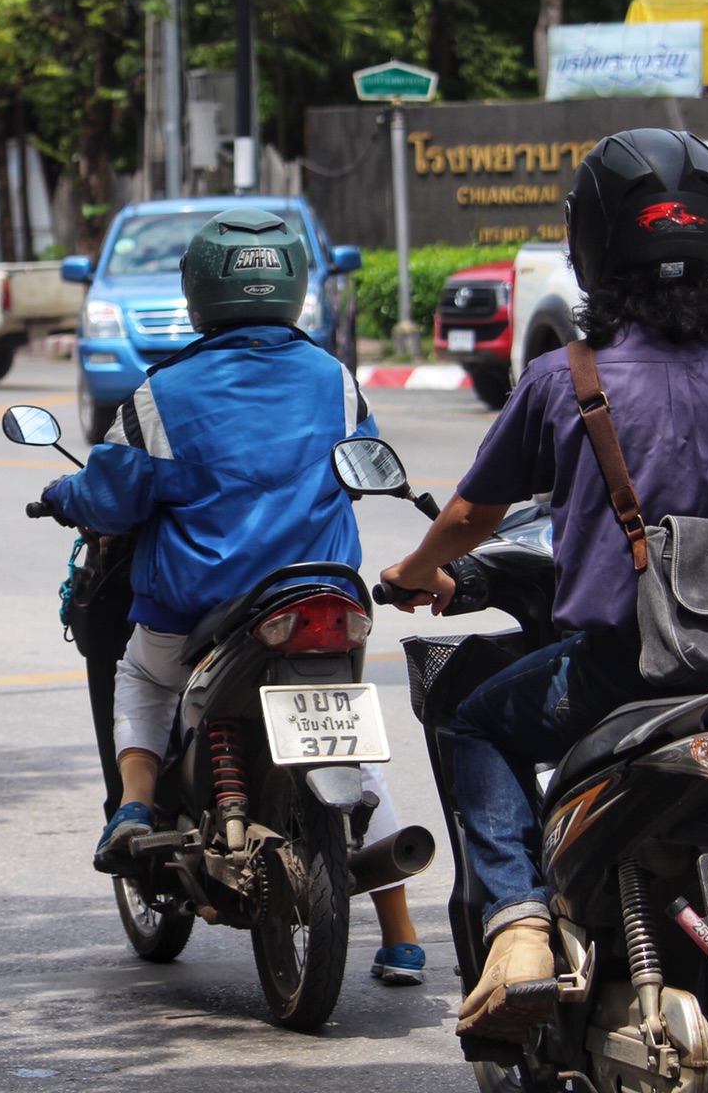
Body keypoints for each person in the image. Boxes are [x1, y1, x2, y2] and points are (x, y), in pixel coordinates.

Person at [376, 131, 708, 1031]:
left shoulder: (565, 376)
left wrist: (415, 572)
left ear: (589, 241)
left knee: (472, 719)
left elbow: (474, 518)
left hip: (624, 673)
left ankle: (517, 926)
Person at [41, 207, 426, 986]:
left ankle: (137, 804)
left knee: (142, 673)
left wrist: (61, 492)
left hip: (200, 613)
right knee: (345, 733)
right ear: (294, 287)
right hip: (322, 601)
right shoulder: (336, 380)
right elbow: (363, 465)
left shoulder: (163, 393)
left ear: (198, 292)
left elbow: (111, 498)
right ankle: (400, 932)